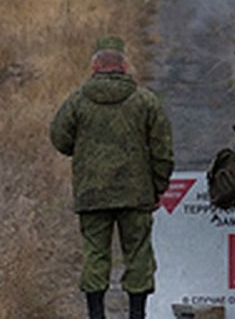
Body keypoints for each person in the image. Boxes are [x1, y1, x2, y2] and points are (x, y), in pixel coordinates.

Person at [51, 36, 174, 319]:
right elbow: (163, 151)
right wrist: (157, 188)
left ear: (94, 67)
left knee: (95, 254)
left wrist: (82, 150)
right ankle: (136, 314)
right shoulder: (145, 101)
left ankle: (96, 315)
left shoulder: (78, 100)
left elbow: (59, 138)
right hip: (136, 195)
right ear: (125, 67)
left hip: (92, 194)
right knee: (138, 255)